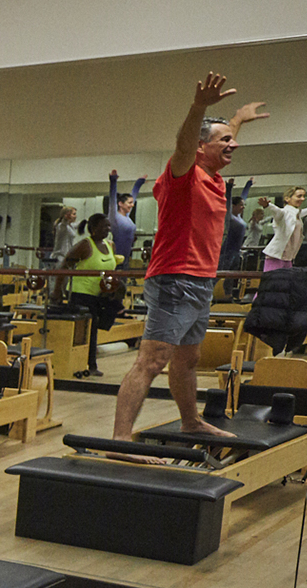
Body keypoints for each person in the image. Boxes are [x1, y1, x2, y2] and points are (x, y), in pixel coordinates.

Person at [112, 76, 268, 444]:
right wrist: (198, 107)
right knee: (152, 360)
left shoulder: (213, 178)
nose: (233, 144)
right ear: (201, 147)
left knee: (188, 359)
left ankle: (190, 422)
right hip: (176, 279)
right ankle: (120, 438)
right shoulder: (184, 174)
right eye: (224, 140)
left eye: (232, 139)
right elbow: (185, 145)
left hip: (200, 281)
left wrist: (237, 120)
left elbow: (211, 140)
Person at [63, 213, 118, 374]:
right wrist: (57, 290)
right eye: (104, 226)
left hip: (100, 294)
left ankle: (91, 364)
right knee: (86, 330)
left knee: (95, 328)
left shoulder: (110, 245)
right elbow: (64, 265)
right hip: (81, 293)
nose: (107, 229)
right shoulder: (84, 245)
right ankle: (85, 365)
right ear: (93, 228)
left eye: (109, 226)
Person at [258, 187, 307, 272]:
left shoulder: (297, 214)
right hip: (276, 256)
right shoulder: (284, 213)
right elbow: (277, 211)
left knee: (285, 280)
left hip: (288, 257)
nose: (302, 199)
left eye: (303, 196)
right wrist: (268, 206)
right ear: (287, 199)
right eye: (299, 196)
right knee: (273, 279)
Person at [106, 171, 146, 267]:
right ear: (120, 204)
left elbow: (134, 195)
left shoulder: (127, 217)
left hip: (127, 256)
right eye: (129, 203)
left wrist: (139, 182)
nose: (132, 205)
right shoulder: (115, 217)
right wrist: (113, 181)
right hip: (116, 257)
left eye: (132, 203)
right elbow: (112, 199)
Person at [218, 178, 255, 271]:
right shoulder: (230, 217)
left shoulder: (239, 217)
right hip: (226, 254)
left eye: (244, 205)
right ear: (233, 206)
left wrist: (248, 184)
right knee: (220, 275)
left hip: (236, 253)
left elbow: (243, 197)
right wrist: (229, 188)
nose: (243, 207)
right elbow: (228, 202)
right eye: (241, 205)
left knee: (233, 277)